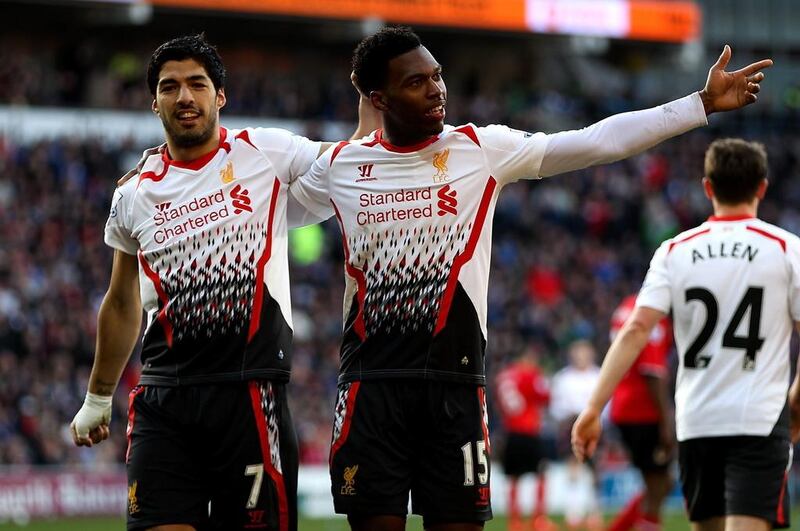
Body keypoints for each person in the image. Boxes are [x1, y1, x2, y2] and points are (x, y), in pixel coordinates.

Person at [288, 26, 772, 531]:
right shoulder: (341, 166)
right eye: (416, 82)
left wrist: (699, 104)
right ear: (378, 97)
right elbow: (274, 213)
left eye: (437, 76)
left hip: (454, 387)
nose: (436, 90)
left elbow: (596, 142)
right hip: (370, 388)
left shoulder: (481, 149)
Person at [69, 34, 376, 531]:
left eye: (197, 84)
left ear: (220, 96)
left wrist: (372, 97)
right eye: (170, 87)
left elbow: (356, 161)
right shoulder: (133, 193)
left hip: (249, 393)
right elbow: (122, 301)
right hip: (163, 398)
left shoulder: (265, 152)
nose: (184, 97)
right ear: (154, 102)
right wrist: (98, 397)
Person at [572, 138, 800, 531]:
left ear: (707, 187)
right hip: (758, 419)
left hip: (697, 421)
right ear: (762, 187)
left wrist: (594, 408)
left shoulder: (675, 250)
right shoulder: (786, 248)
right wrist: (796, 397)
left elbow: (636, 329)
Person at [606, 295, 674, 531]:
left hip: (623, 405)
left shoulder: (626, 306)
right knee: (658, 486)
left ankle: (618, 528)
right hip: (643, 410)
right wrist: (666, 421)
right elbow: (652, 371)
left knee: (659, 483)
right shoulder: (652, 311)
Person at [494, 346, 553, 531]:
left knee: (513, 477)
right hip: (529, 430)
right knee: (542, 472)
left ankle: (515, 522)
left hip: (510, 432)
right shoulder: (530, 374)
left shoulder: (503, 376)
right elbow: (545, 397)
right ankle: (539, 520)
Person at [549, 340, 603, 530]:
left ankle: (594, 512)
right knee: (573, 467)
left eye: (585, 352)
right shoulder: (563, 378)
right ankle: (574, 512)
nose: (581, 356)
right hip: (570, 427)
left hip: (595, 426)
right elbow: (555, 407)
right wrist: (569, 416)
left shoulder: (599, 376)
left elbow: (607, 403)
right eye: (578, 352)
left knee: (596, 469)